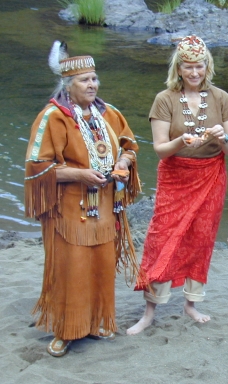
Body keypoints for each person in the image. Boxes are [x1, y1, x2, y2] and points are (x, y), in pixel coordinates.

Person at [25, 41, 141, 357]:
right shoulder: (53, 117)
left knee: (102, 265)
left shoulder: (110, 114)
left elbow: (129, 146)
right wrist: (79, 175)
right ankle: (66, 330)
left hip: (105, 207)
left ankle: (96, 323)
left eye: (94, 78)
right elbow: (38, 167)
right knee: (71, 268)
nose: (92, 85)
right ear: (68, 84)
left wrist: (122, 164)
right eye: (84, 80)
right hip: (69, 210)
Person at [127, 35, 228, 334]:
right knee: (161, 238)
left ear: (207, 66)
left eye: (199, 66)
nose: (194, 72)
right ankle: (150, 308)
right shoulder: (164, 99)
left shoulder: (220, 98)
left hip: (211, 175)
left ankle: (191, 303)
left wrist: (222, 138)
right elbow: (160, 149)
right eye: (187, 67)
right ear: (178, 68)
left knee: (201, 238)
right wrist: (181, 140)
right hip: (176, 176)